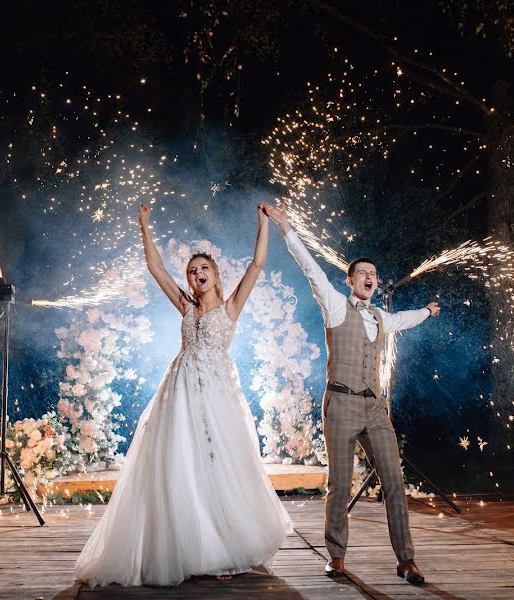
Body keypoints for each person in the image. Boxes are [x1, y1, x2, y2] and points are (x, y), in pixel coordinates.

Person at [75, 203, 293, 587]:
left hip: (215, 395)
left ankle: (226, 547)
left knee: (217, 462)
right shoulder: (185, 307)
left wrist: (262, 223)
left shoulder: (230, 307)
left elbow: (256, 266)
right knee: (182, 464)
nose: (196, 274)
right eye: (192, 271)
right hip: (179, 393)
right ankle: (188, 546)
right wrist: (144, 225)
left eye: (202, 268)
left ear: (215, 274)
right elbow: (156, 269)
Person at [264, 203, 439, 586]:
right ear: (349, 280)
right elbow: (310, 268)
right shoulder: (334, 305)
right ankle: (337, 557)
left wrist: (427, 310)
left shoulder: (380, 318)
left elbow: (404, 320)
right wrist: (286, 228)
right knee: (339, 484)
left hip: (374, 408)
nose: (369, 277)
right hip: (340, 402)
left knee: (393, 480)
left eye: (373, 274)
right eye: (362, 273)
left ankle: (406, 560)